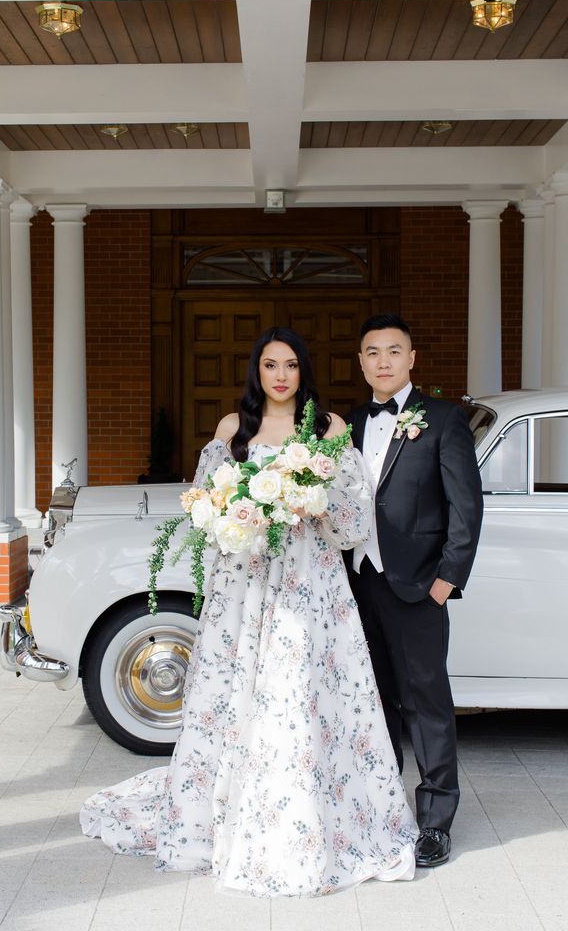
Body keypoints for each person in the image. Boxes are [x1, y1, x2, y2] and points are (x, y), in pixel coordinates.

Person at [80, 326, 418, 896]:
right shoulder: (233, 431)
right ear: (256, 373)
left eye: (290, 365)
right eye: (269, 365)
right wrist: (243, 519)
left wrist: (309, 502)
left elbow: (355, 519)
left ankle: (312, 815)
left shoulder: (328, 429)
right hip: (248, 584)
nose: (281, 375)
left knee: (301, 692)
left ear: (302, 372)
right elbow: (204, 509)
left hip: (311, 583)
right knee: (243, 691)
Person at [345, 313, 483, 868]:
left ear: (411, 358)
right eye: (373, 352)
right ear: (361, 362)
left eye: (393, 351)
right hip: (357, 583)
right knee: (373, 703)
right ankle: (380, 811)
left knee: (426, 701)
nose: (383, 361)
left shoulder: (444, 420)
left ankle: (434, 822)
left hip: (419, 584)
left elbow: (465, 507)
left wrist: (446, 580)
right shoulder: (346, 425)